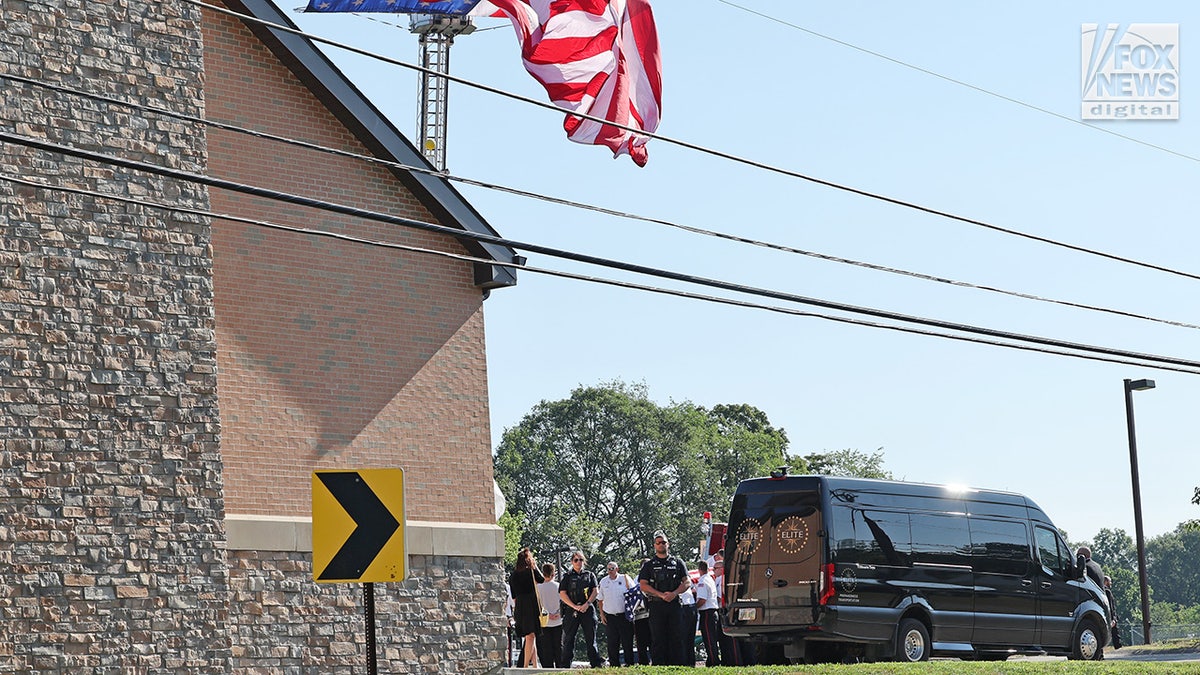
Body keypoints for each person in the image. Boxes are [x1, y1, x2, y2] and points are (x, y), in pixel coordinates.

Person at [639, 531, 691, 666]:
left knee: (677, 635)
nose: (661, 545)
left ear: (668, 544)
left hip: (674, 604)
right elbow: (643, 585)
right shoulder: (649, 565)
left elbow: (687, 582)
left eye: (663, 542)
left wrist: (674, 593)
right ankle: (659, 666)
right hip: (656, 605)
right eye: (658, 543)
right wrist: (660, 595)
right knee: (657, 637)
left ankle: (678, 665)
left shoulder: (678, 562)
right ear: (654, 546)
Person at [559, 550, 603, 668]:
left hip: (587, 608)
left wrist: (587, 604)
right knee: (568, 639)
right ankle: (565, 666)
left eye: (581, 560)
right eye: (576, 560)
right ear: (572, 562)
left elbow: (595, 590)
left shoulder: (589, 575)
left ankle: (596, 665)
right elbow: (562, 593)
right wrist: (575, 607)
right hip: (572, 609)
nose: (579, 562)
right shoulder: (567, 576)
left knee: (591, 638)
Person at [508, 548, 544, 668]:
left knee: (530, 635)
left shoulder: (513, 576)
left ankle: (534, 664)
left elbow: (514, 596)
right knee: (531, 636)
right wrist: (535, 566)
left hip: (520, 605)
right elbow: (542, 579)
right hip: (531, 604)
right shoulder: (531, 572)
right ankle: (525, 665)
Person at [598, 561, 636, 667]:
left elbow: (634, 593)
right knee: (612, 642)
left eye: (612, 568)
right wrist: (602, 614)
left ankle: (629, 663)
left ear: (617, 569)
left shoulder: (625, 579)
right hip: (610, 616)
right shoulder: (604, 581)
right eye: (608, 569)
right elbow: (600, 600)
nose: (610, 571)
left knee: (627, 641)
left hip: (624, 615)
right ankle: (614, 664)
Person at [536, 562, 564, 668]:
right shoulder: (559, 586)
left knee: (546, 648)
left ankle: (548, 668)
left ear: (543, 574)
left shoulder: (538, 588)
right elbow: (564, 602)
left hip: (544, 621)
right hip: (558, 620)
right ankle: (560, 667)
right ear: (553, 574)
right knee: (559, 646)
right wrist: (558, 613)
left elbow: (537, 606)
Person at [695, 560, 721, 666]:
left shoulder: (702, 581)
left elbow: (702, 599)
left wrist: (694, 608)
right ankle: (713, 659)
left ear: (699, 570)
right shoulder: (710, 579)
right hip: (713, 611)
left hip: (706, 613)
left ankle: (713, 661)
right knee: (712, 638)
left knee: (709, 639)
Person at [679, 570, 698, 666]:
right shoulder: (687, 579)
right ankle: (690, 662)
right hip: (692, 607)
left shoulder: (677, 579)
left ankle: (684, 662)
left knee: (683, 638)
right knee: (690, 638)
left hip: (684, 608)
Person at [1104, 575, 1123, 649]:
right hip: (1110, 615)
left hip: (1107, 615)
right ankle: (1117, 646)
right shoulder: (1107, 592)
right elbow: (1111, 606)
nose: (1111, 583)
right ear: (1106, 581)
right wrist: (1113, 618)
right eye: (1109, 581)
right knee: (1115, 632)